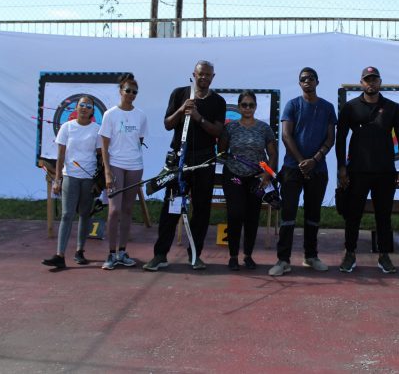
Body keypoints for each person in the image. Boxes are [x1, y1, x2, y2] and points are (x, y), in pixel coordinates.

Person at [144, 61, 226, 271]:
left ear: (213, 77)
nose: (204, 78)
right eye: (201, 74)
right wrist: (182, 110)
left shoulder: (218, 101)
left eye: (208, 75)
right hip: (180, 160)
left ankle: (195, 255)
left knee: (201, 210)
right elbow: (167, 123)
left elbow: (218, 132)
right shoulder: (180, 94)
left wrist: (198, 118)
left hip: (204, 161)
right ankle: (160, 254)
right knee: (171, 207)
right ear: (194, 74)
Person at [336, 66, 399, 274]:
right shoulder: (350, 108)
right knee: (353, 215)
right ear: (361, 83)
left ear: (380, 82)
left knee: (383, 215)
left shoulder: (393, 108)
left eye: (374, 79)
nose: (371, 83)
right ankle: (350, 253)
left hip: (385, 171)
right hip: (357, 171)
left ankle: (384, 255)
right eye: (367, 80)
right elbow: (340, 140)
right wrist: (341, 167)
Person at [269, 67, 336, 277]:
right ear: (299, 83)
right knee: (288, 215)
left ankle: (311, 256)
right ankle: (283, 260)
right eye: (303, 79)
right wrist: (301, 162)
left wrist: (314, 160)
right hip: (292, 169)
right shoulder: (292, 105)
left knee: (313, 215)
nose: (307, 81)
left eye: (311, 78)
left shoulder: (327, 107)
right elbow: (286, 136)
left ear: (317, 81)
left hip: (318, 169)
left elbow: (330, 138)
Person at [218, 91, 278, 270]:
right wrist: (220, 132)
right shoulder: (230, 127)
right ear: (238, 107)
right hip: (234, 175)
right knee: (235, 214)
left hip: (256, 178)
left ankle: (248, 255)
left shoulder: (264, 128)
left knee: (252, 216)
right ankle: (233, 256)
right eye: (244, 105)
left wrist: (268, 174)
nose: (247, 108)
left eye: (251, 105)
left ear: (256, 107)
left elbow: (273, 154)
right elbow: (221, 151)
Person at [42, 95, 102, 269]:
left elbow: (101, 155)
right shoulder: (67, 127)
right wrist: (57, 179)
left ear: (92, 111)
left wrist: (99, 179)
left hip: (88, 177)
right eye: (81, 105)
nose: (84, 108)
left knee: (84, 214)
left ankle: (79, 251)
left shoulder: (97, 129)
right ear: (76, 108)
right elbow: (60, 155)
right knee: (67, 214)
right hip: (70, 176)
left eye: (88, 106)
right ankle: (60, 255)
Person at [99, 73, 148, 270]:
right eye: (128, 90)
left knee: (128, 210)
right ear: (120, 91)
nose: (131, 94)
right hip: (116, 164)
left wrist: (132, 156)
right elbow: (104, 145)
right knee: (114, 210)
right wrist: (108, 171)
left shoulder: (141, 115)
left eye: (135, 92)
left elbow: (140, 141)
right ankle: (111, 254)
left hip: (135, 166)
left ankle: (122, 251)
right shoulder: (110, 115)